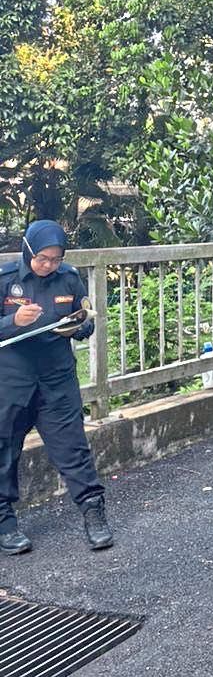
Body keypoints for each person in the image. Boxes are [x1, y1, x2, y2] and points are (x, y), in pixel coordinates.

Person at [0, 220, 112, 555]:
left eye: (55, 258)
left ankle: (93, 514)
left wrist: (79, 326)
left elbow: (85, 321)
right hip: (12, 380)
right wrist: (12, 322)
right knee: (4, 449)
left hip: (56, 379)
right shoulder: (6, 279)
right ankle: (5, 524)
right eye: (43, 258)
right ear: (28, 250)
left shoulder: (69, 278)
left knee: (72, 448)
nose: (48, 265)